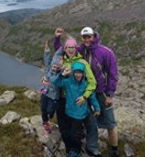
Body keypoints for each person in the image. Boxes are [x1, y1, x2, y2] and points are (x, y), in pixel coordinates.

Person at [54, 27, 119, 157]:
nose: (87, 39)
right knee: (88, 121)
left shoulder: (105, 52)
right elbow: (63, 50)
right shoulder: (81, 49)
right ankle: (87, 147)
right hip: (83, 90)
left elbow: (113, 74)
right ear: (82, 39)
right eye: (84, 37)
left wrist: (110, 94)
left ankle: (114, 150)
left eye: (89, 36)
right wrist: (57, 38)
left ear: (94, 36)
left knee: (109, 123)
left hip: (100, 92)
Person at [49, 37, 103, 157]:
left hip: (79, 98)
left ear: (76, 47)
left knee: (89, 124)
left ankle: (90, 148)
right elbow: (54, 78)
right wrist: (59, 72)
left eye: (73, 47)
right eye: (68, 47)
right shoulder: (61, 61)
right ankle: (70, 148)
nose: (70, 50)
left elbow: (92, 82)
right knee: (65, 126)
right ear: (65, 48)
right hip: (63, 99)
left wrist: (85, 96)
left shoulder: (82, 62)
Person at [39, 41, 60, 133]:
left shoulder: (60, 75)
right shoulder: (48, 69)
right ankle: (45, 123)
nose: (55, 68)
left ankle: (50, 120)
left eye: (57, 67)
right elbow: (47, 60)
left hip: (53, 96)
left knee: (50, 110)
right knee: (43, 108)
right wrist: (47, 49)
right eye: (54, 66)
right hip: (45, 92)